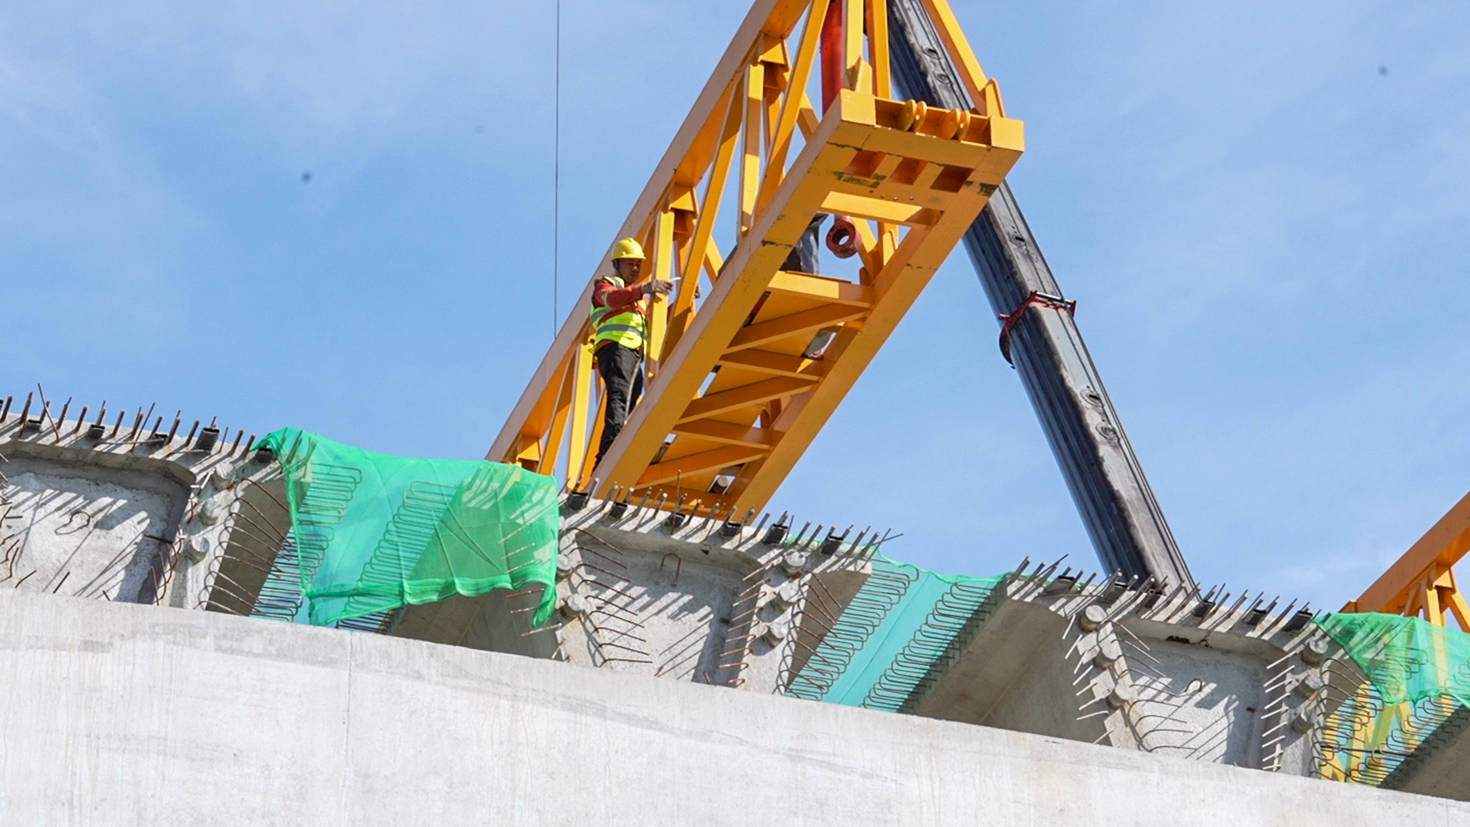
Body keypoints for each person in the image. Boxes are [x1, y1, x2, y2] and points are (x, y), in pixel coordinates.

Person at [590, 238, 672, 468]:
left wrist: (685, 297)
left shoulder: (640, 300)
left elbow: (657, 322)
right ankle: (605, 462)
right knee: (619, 401)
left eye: (638, 264)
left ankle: (611, 456)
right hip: (616, 349)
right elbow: (613, 299)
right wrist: (643, 289)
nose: (635, 268)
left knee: (627, 404)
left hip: (633, 354)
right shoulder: (606, 285)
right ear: (617, 264)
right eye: (629, 264)